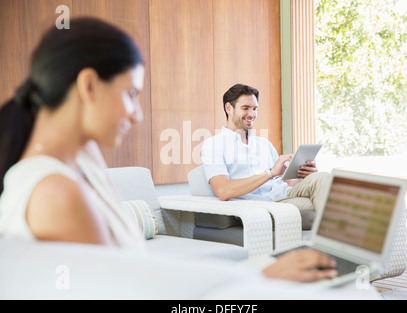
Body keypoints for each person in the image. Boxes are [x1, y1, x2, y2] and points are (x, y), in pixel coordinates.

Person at [0, 17, 338, 289]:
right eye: (131, 93)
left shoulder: (80, 158)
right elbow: (137, 290)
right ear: (89, 86)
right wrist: (257, 278)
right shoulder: (56, 195)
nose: (137, 113)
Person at [201, 84, 331, 228]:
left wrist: (304, 175)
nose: (252, 114)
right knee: (323, 206)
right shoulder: (213, 145)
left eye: (254, 109)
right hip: (259, 207)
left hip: (284, 194)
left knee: (323, 178)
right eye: (245, 108)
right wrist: (269, 173)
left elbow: (282, 181)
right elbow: (223, 191)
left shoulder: (263, 143)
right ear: (228, 108)